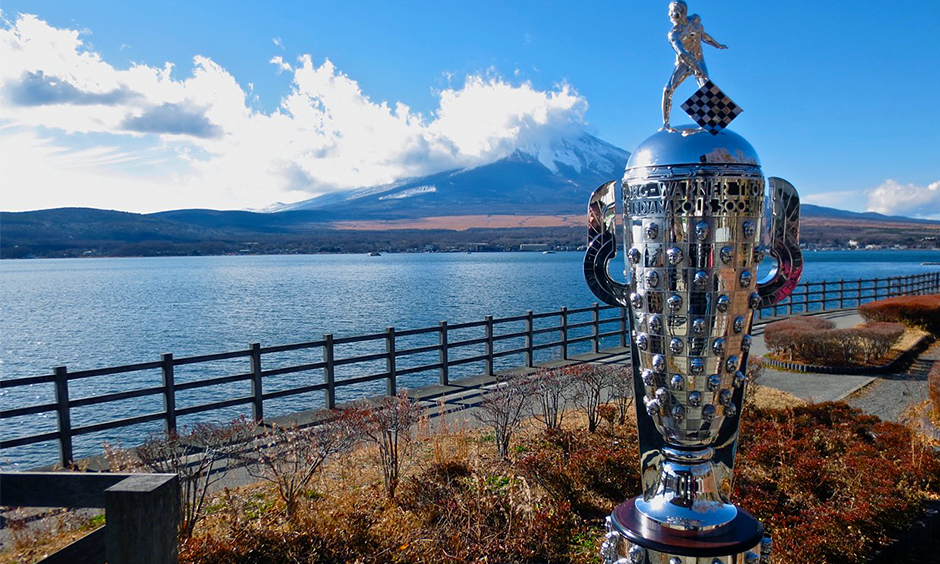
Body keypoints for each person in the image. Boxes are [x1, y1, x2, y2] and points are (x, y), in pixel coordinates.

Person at [661, 2, 728, 131]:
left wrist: (717, 45)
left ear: (680, 12)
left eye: (672, 11)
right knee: (668, 89)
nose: (669, 15)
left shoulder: (695, 22)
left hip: (698, 58)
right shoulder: (674, 34)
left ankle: (711, 121)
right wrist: (697, 68)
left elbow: (703, 36)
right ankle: (666, 124)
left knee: (706, 88)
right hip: (684, 63)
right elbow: (683, 53)